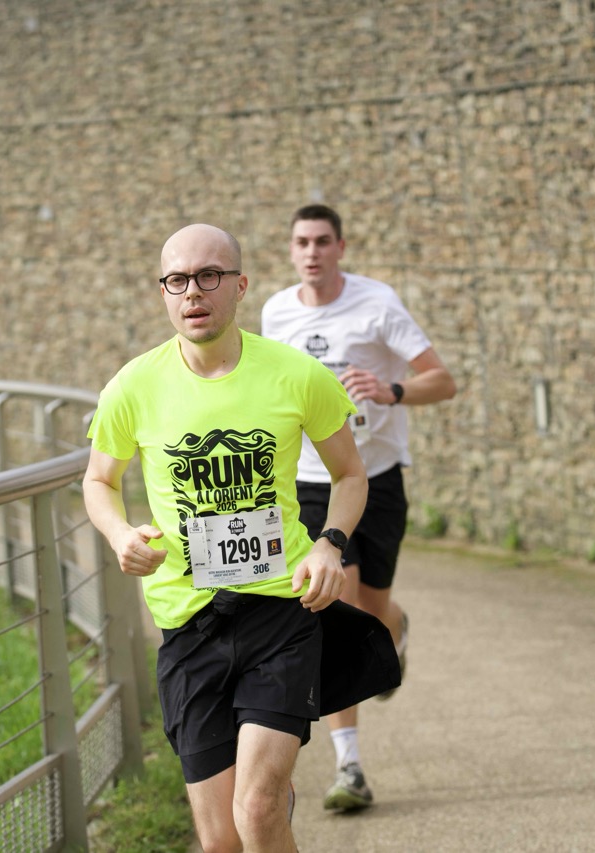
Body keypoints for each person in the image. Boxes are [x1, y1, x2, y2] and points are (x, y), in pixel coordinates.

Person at [84, 223, 370, 852]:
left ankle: (270, 802)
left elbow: (351, 474)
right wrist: (118, 532)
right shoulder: (132, 386)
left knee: (257, 809)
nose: (193, 291)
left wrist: (330, 543)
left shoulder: (297, 375)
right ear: (163, 292)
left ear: (239, 286)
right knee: (220, 842)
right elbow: (99, 480)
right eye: (177, 280)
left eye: (209, 276)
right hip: (188, 622)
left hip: (281, 611)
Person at [262, 204, 457, 813]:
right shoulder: (276, 312)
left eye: (323, 241)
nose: (312, 252)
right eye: (302, 242)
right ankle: (349, 767)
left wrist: (390, 390)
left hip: (377, 477)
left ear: (341, 247)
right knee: (336, 609)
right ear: (291, 250)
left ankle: (396, 628)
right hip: (313, 482)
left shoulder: (378, 305)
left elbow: (443, 381)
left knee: (373, 608)